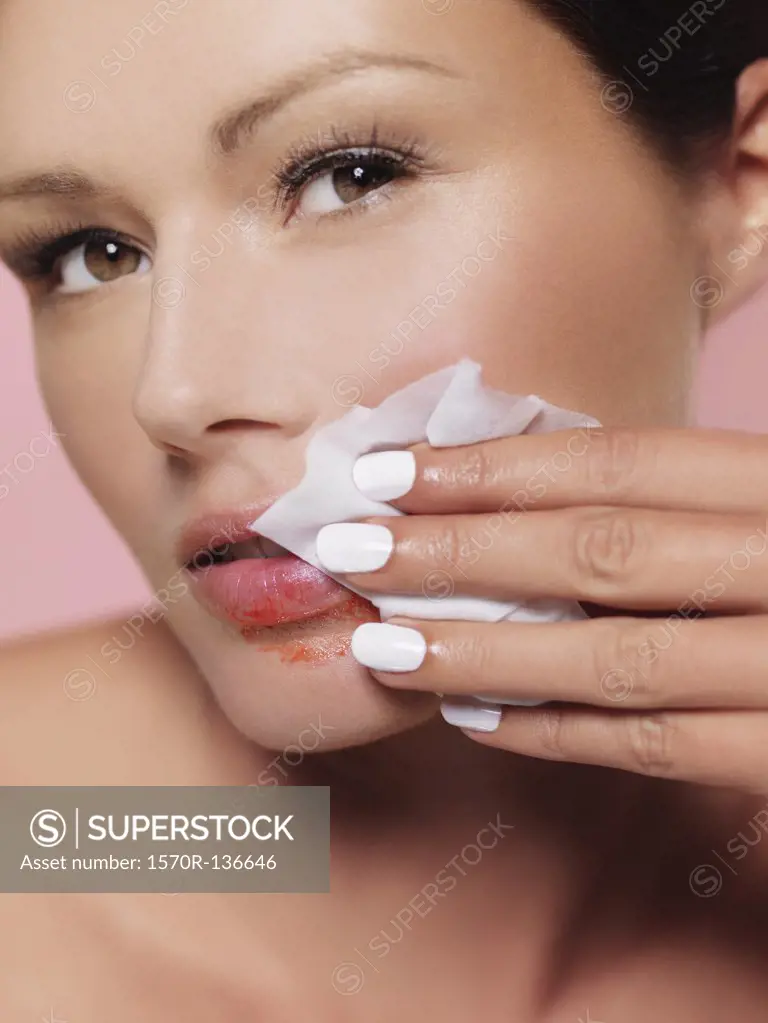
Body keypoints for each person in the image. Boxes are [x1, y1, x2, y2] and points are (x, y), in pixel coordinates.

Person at [1, 0, 768, 1017]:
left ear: (740, 187)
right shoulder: (45, 841)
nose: (173, 396)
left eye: (348, 177)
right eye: (90, 253)